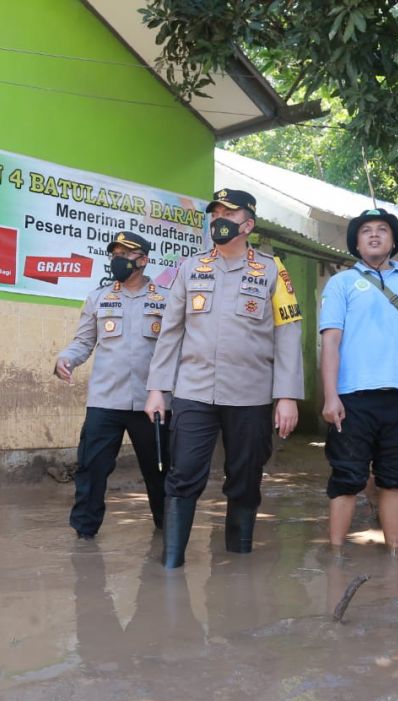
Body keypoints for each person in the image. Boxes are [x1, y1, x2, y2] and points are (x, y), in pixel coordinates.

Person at [145, 189, 304, 568]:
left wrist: (287, 396)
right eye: (214, 211)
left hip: (250, 394)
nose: (218, 218)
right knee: (182, 476)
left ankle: (239, 561)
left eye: (227, 213)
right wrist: (157, 389)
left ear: (247, 224)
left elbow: (289, 332)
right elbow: (171, 331)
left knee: (245, 478)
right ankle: (171, 565)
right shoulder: (190, 267)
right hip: (194, 391)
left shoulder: (272, 270)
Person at [319, 208, 398, 554]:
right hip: (352, 397)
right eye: (366, 231)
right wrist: (330, 397)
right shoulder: (341, 283)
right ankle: (336, 557)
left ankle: (394, 558)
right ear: (355, 242)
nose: (374, 235)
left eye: (382, 230)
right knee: (346, 479)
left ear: (394, 240)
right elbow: (331, 341)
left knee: (394, 479)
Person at [56, 232, 168, 539]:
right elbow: (83, 342)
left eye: (126, 254)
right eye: (114, 253)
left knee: (160, 472)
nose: (118, 259)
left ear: (143, 260)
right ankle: (84, 532)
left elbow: (176, 349)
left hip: (152, 403)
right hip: (105, 401)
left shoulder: (167, 299)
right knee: (91, 469)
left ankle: (168, 527)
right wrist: (65, 359)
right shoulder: (99, 298)